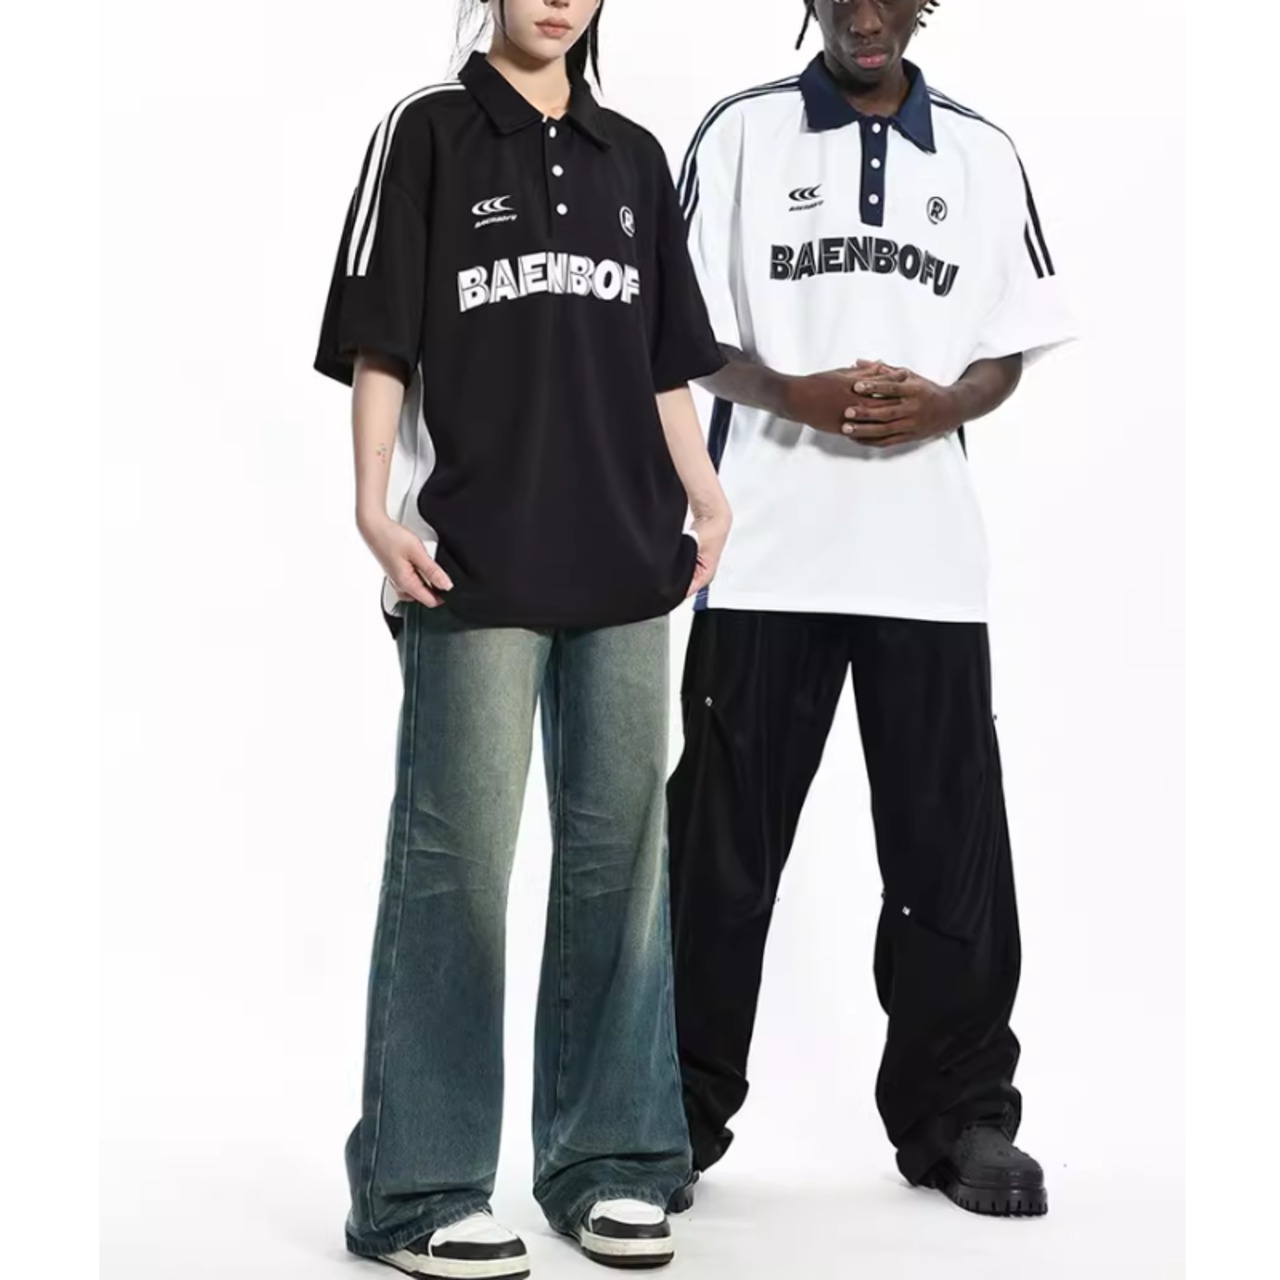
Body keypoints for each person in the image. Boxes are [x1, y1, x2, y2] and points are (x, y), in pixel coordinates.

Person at [313, 1, 732, 1272]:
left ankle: (608, 1161)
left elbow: (660, 362)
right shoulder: (427, 132)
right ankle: (417, 1186)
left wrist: (704, 492)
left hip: (626, 564)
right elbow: (381, 339)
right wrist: (371, 504)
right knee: (456, 870)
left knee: (620, 867)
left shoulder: (632, 157)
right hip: (472, 564)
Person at [666, 0, 1076, 1219]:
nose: (861, 15)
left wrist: (947, 404)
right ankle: (665, 1106)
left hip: (923, 565)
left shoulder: (982, 151)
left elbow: (1009, 339)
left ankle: (960, 1113)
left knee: (949, 850)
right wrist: (785, 388)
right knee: (717, 850)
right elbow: (673, 330)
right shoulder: (740, 134)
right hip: (763, 554)